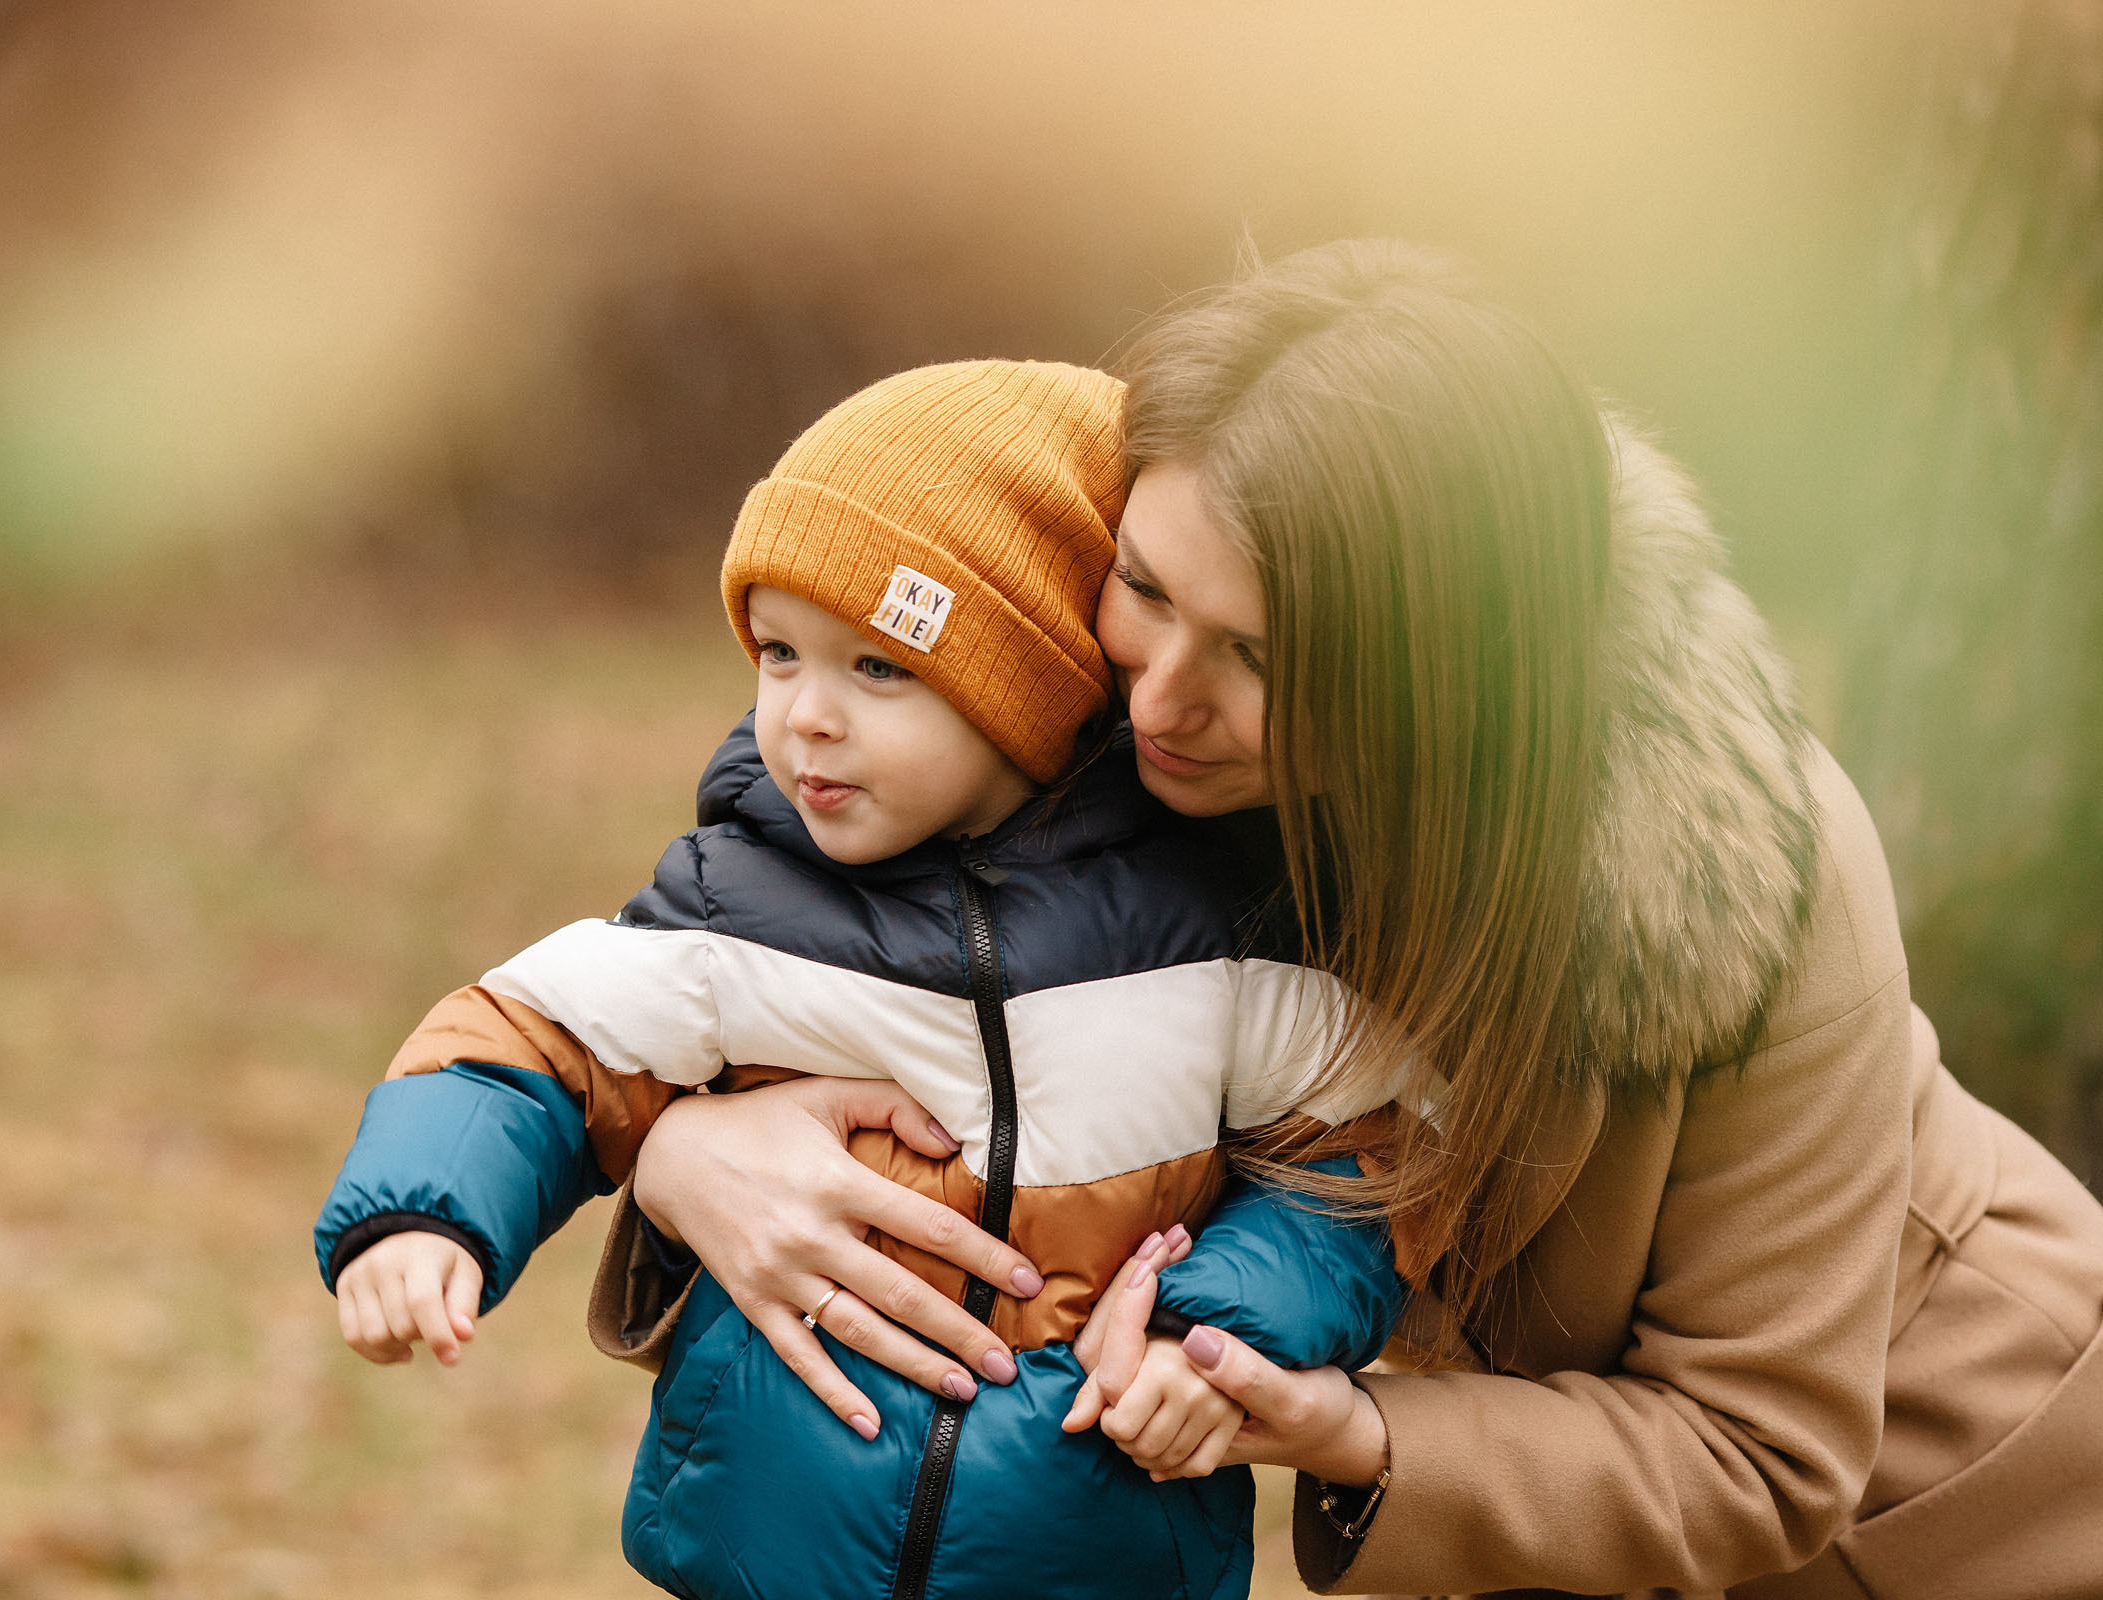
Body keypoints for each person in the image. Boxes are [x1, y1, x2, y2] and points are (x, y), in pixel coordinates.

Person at [602, 242, 2103, 1599]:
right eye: (1142, 585)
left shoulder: (1760, 868)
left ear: (1443, 672)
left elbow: (1761, 1450)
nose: (1163, 699)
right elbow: (793, 966)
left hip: (1956, 1504)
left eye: (1267, 654)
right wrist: (679, 1153)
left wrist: (1359, 1429)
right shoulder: (1099, 713)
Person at [310, 359, 1410, 1600]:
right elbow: (526, 1041)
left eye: (876, 668)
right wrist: (421, 1211)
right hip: (764, 1557)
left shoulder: (1211, 936)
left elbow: (1354, 1159)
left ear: (1033, 686)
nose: (806, 717)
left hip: (1092, 1550)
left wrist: (1218, 1329)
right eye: (778, 653)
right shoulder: (739, 911)